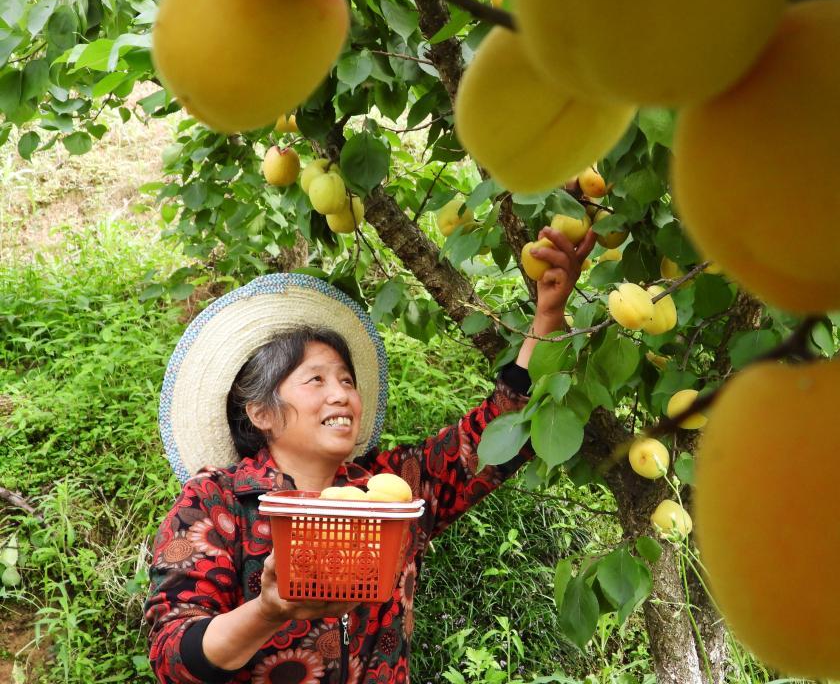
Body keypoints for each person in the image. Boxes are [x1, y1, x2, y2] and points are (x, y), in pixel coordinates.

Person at [146, 226, 596, 684]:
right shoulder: (217, 502)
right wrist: (267, 612)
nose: (341, 394)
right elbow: (172, 656)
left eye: (346, 380)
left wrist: (547, 316)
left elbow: (496, 434)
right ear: (261, 412)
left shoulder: (391, 490)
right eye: (316, 380)